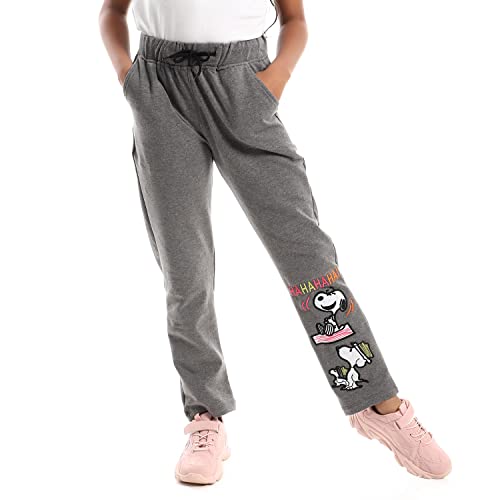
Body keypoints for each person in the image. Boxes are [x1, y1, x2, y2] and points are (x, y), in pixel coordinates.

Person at [98, 0, 452, 485]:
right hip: (158, 89)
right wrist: (129, 78)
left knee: (308, 259)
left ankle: (377, 403)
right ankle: (205, 417)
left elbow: (295, 19)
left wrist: (275, 78)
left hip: (243, 86)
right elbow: (112, 11)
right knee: (184, 269)